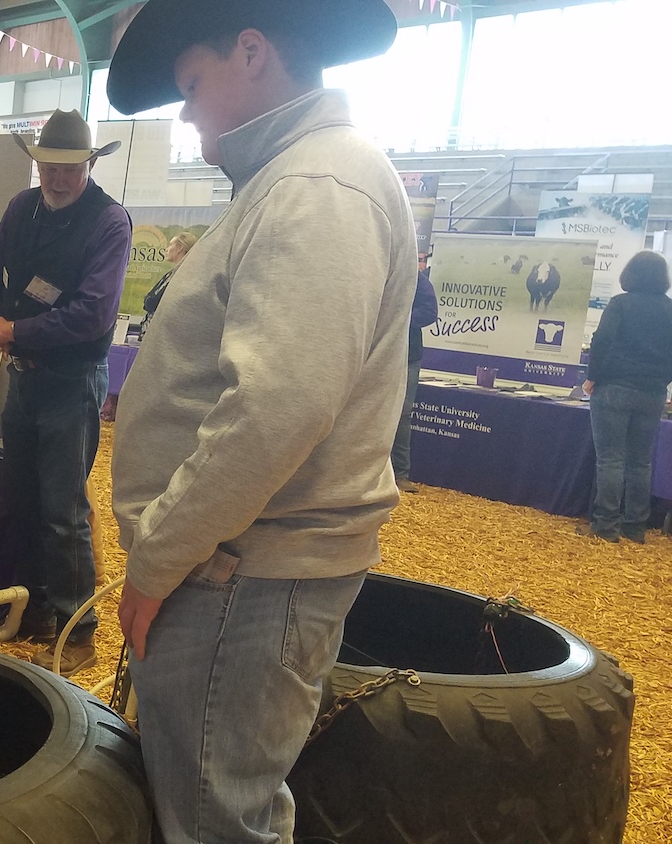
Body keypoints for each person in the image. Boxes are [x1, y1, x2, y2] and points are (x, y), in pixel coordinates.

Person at [105, 1, 413, 841]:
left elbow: (275, 408)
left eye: (192, 84)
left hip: (238, 573)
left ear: (251, 53)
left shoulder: (315, 186)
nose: (187, 109)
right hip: (235, 566)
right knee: (215, 806)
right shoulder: (296, 178)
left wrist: (159, 557)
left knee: (216, 821)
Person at [0, 109, 132, 675]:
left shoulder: (110, 221)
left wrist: (9, 330)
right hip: (27, 376)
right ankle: (32, 608)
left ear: (88, 164)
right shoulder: (22, 208)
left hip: (73, 379)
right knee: (22, 498)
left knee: (63, 510)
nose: (57, 177)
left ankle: (77, 629)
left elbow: (92, 315)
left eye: (69, 167)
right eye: (48, 167)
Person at [581, 250, 672, 543]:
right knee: (640, 461)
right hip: (652, 392)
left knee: (611, 459)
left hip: (614, 387)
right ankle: (634, 527)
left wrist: (592, 376)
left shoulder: (621, 304)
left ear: (630, 274)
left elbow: (602, 340)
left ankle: (606, 526)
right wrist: (666, 374)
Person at [392, 268, 439, 493]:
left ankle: (401, 473)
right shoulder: (377, 273)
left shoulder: (417, 280)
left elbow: (430, 311)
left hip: (407, 355)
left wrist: (398, 319)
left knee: (403, 412)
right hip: (374, 354)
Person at [140, 230, 199, 332]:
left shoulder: (181, 275)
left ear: (180, 248)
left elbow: (152, 302)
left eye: (171, 245)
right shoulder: (173, 273)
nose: (167, 249)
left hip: (163, 333)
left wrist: (148, 300)